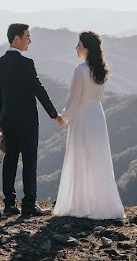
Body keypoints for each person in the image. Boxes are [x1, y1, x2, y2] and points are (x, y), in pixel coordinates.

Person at [0, 23, 64, 217]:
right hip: (28, 121)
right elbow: (38, 90)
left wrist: (0, 120)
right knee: (30, 161)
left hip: (7, 120)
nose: (30, 40)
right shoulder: (26, 63)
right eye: (27, 37)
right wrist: (54, 114)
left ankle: (8, 205)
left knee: (10, 161)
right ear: (17, 38)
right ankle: (29, 205)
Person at [52, 31, 125, 220]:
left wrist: (63, 118)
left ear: (86, 47)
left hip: (83, 117)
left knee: (80, 157)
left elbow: (74, 100)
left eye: (78, 44)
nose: (76, 48)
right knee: (98, 158)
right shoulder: (101, 70)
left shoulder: (81, 70)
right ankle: (102, 205)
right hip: (97, 116)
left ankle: (79, 205)